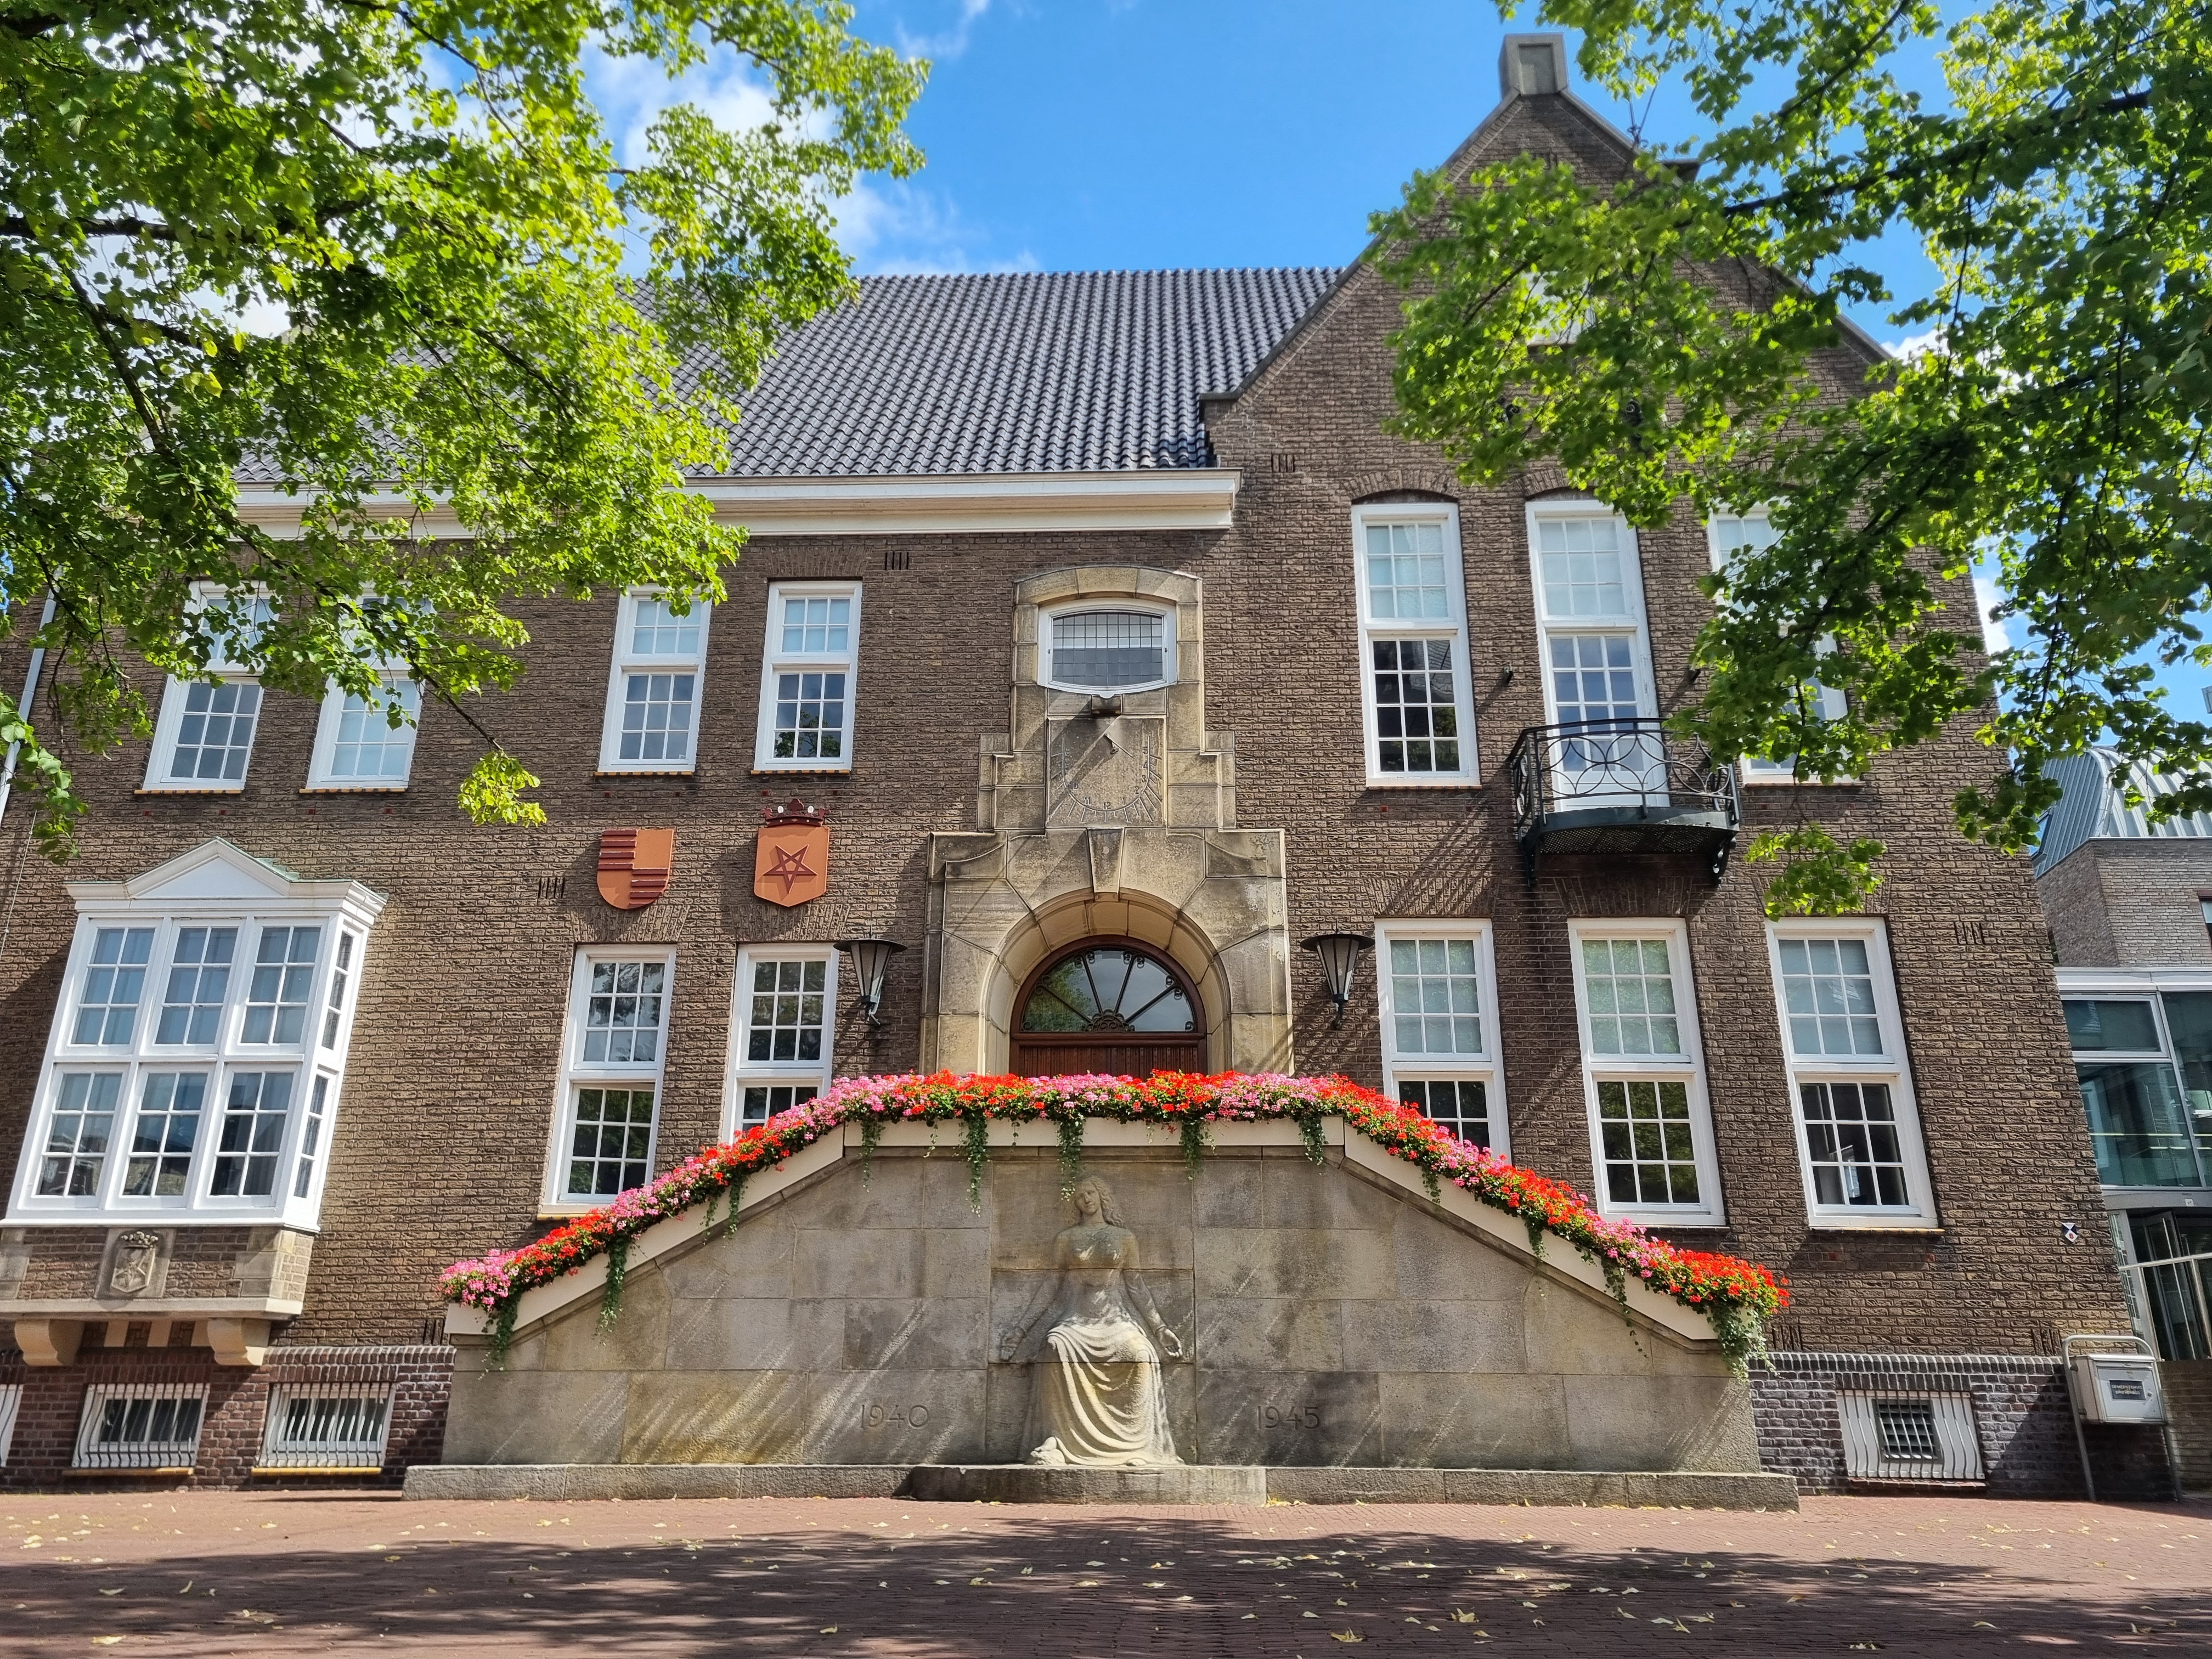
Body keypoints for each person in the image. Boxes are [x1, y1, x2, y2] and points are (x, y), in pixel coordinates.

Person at [998, 1174, 1183, 1466]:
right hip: (1077, 1321)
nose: (1085, 1199)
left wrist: (1160, 1329)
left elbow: (1136, 1285)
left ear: (1102, 1196)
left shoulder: (1124, 1238)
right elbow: (1050, 1285)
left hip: (1116, 1322)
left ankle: (1142, 1447)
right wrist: (1021, 1330)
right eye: (1079, 1196)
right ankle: (1057, 1440)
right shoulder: (1066, 1238)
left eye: (1090, 1193)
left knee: (1140, 1354)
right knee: (1055, 1346)